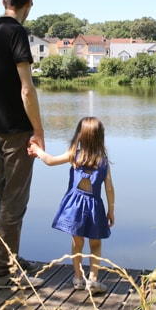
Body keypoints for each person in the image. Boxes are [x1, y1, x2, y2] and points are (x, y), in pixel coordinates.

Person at [0, 0, 45, 290]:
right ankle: (2, 274)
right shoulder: (17, 33)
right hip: (18, 132)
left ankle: (9, 258)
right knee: (14, 203)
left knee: (0, 198)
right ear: (29, 2)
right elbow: (27, 90)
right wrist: (39, 131)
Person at [30, 117, 115, 295]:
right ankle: (92, 280)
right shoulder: (103, 162)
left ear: (80, 136)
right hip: (95, 208)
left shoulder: (73, 156)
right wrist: (111, 211)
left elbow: (50, 160)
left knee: (77, 243)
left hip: (74, 206)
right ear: (100, 138)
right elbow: (109, 188)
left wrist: (37, 149)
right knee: (96, 244)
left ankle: (78, 278)